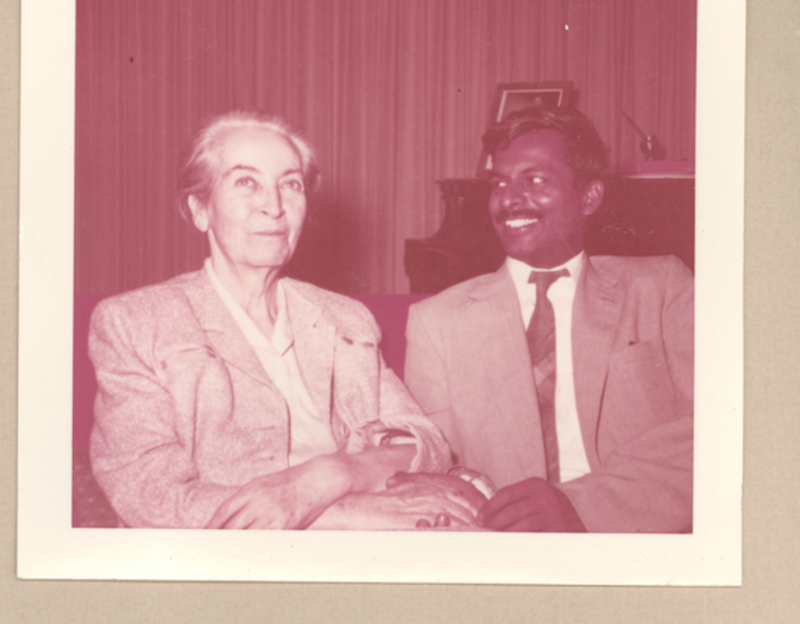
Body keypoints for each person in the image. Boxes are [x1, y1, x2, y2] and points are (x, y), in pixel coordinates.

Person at [89, 110, 479, 530]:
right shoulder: (136, 322)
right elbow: (150, 495)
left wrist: (330, 475)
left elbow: (424, 442)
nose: (274, 206)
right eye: (246, 182)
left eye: (291, 184)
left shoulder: (344, 318)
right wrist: (342, 515)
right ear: (200, 208)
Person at [401, 106, 693, 533]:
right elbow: (434, 459)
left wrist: (583, 506)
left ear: (589, 197)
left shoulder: (661, 287)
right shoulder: (436, 322)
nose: (508, 200)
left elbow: (714, 427)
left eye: (534, 180)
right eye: (499, 183)